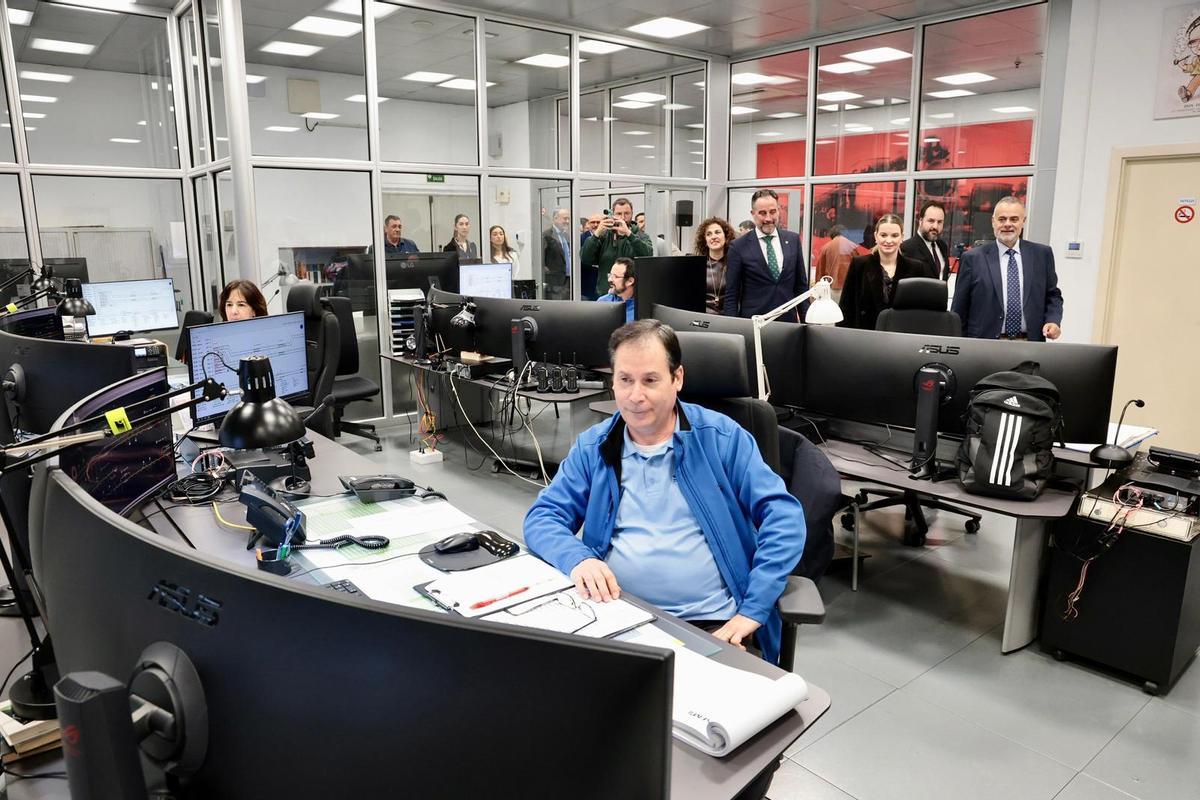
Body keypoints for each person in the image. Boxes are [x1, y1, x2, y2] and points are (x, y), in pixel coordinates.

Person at [524, 319, 806, 668]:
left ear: (678, 379)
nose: (635, 395)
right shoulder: (595, 446)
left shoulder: (720, 438)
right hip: (616, 615)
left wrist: (753, 609)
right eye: (625, 380)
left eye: (650, 380)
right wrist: (578, 559)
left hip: (711, 625)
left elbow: (784, 518)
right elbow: (542, 518)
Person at [951, 196, 1063, 341]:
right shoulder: (972, 258)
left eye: (1014, 219)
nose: (1007, 224)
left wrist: (1053, 320)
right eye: (1002, 219)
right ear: (993, 222)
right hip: (984, 346)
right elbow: (959, 309)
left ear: (1023, 222)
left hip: (1030, 344)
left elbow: (1053, 295)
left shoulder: (1042, 254)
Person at [838, 214, 934, 330]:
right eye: (883, 235)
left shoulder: (916, 268)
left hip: (901, 338)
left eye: (894, 236)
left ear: (902, 237)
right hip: (865, 338)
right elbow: (846, 307)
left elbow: (919, 312)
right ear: (875, 236)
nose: (888, 240)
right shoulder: (859, 265)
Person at [724, 189, 809, 319]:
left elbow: (801, 287)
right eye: (762, 213)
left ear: (779, 210)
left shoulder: (793, 240)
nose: (768, 218)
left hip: (788, 325)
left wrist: (807, 325)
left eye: (772, 212)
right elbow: (731, 294)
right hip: (754, 325)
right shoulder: (738, 247)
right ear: (753, 214)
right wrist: (733, 330)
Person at [580, 198, 653, 298]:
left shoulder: (641, 236)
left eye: (626, 213)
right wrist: (596, 234)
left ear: (632, 214)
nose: (622, 217)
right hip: (606, 294)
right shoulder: (605, 235)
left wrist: (629, 234)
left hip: (632, 295)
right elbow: (586, 258)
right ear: (613, 215)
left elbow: (647, 256)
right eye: (618, 214)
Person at [693, 216, 736, 314]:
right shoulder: (697, 266)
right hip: (703, 319)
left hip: (730, 318)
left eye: (717, 232)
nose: (713, 237)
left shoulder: (735, 264)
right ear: (705, 240)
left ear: (726, 236)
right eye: (709, 234)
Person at [900, 200, 950, 281]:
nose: (935, 226)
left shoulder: (943, 246)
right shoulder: (907, 248)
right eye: (931, 221)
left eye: (940, 222)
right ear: (920, 221)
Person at [814, 224, 866, 290]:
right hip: (850, 287)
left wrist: (818, 289)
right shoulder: (853, 246)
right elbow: (860, 269)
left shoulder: (825, 248)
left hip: (831, 287)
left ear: (832, 235)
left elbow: (820, 271)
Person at [542, 208, 572, 300]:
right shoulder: (546, 235)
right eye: (565, 218)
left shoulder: (566, 236)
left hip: (568, 282)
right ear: (555, 219)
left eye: (568, 219)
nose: (567, 221)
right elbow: (541, 259)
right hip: (554, 285)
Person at [595, 257, 636, 323]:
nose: (609, 280)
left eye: (616, 277)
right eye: (610, 275)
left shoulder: (641, 309)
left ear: (630, 281)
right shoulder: (602, 302)